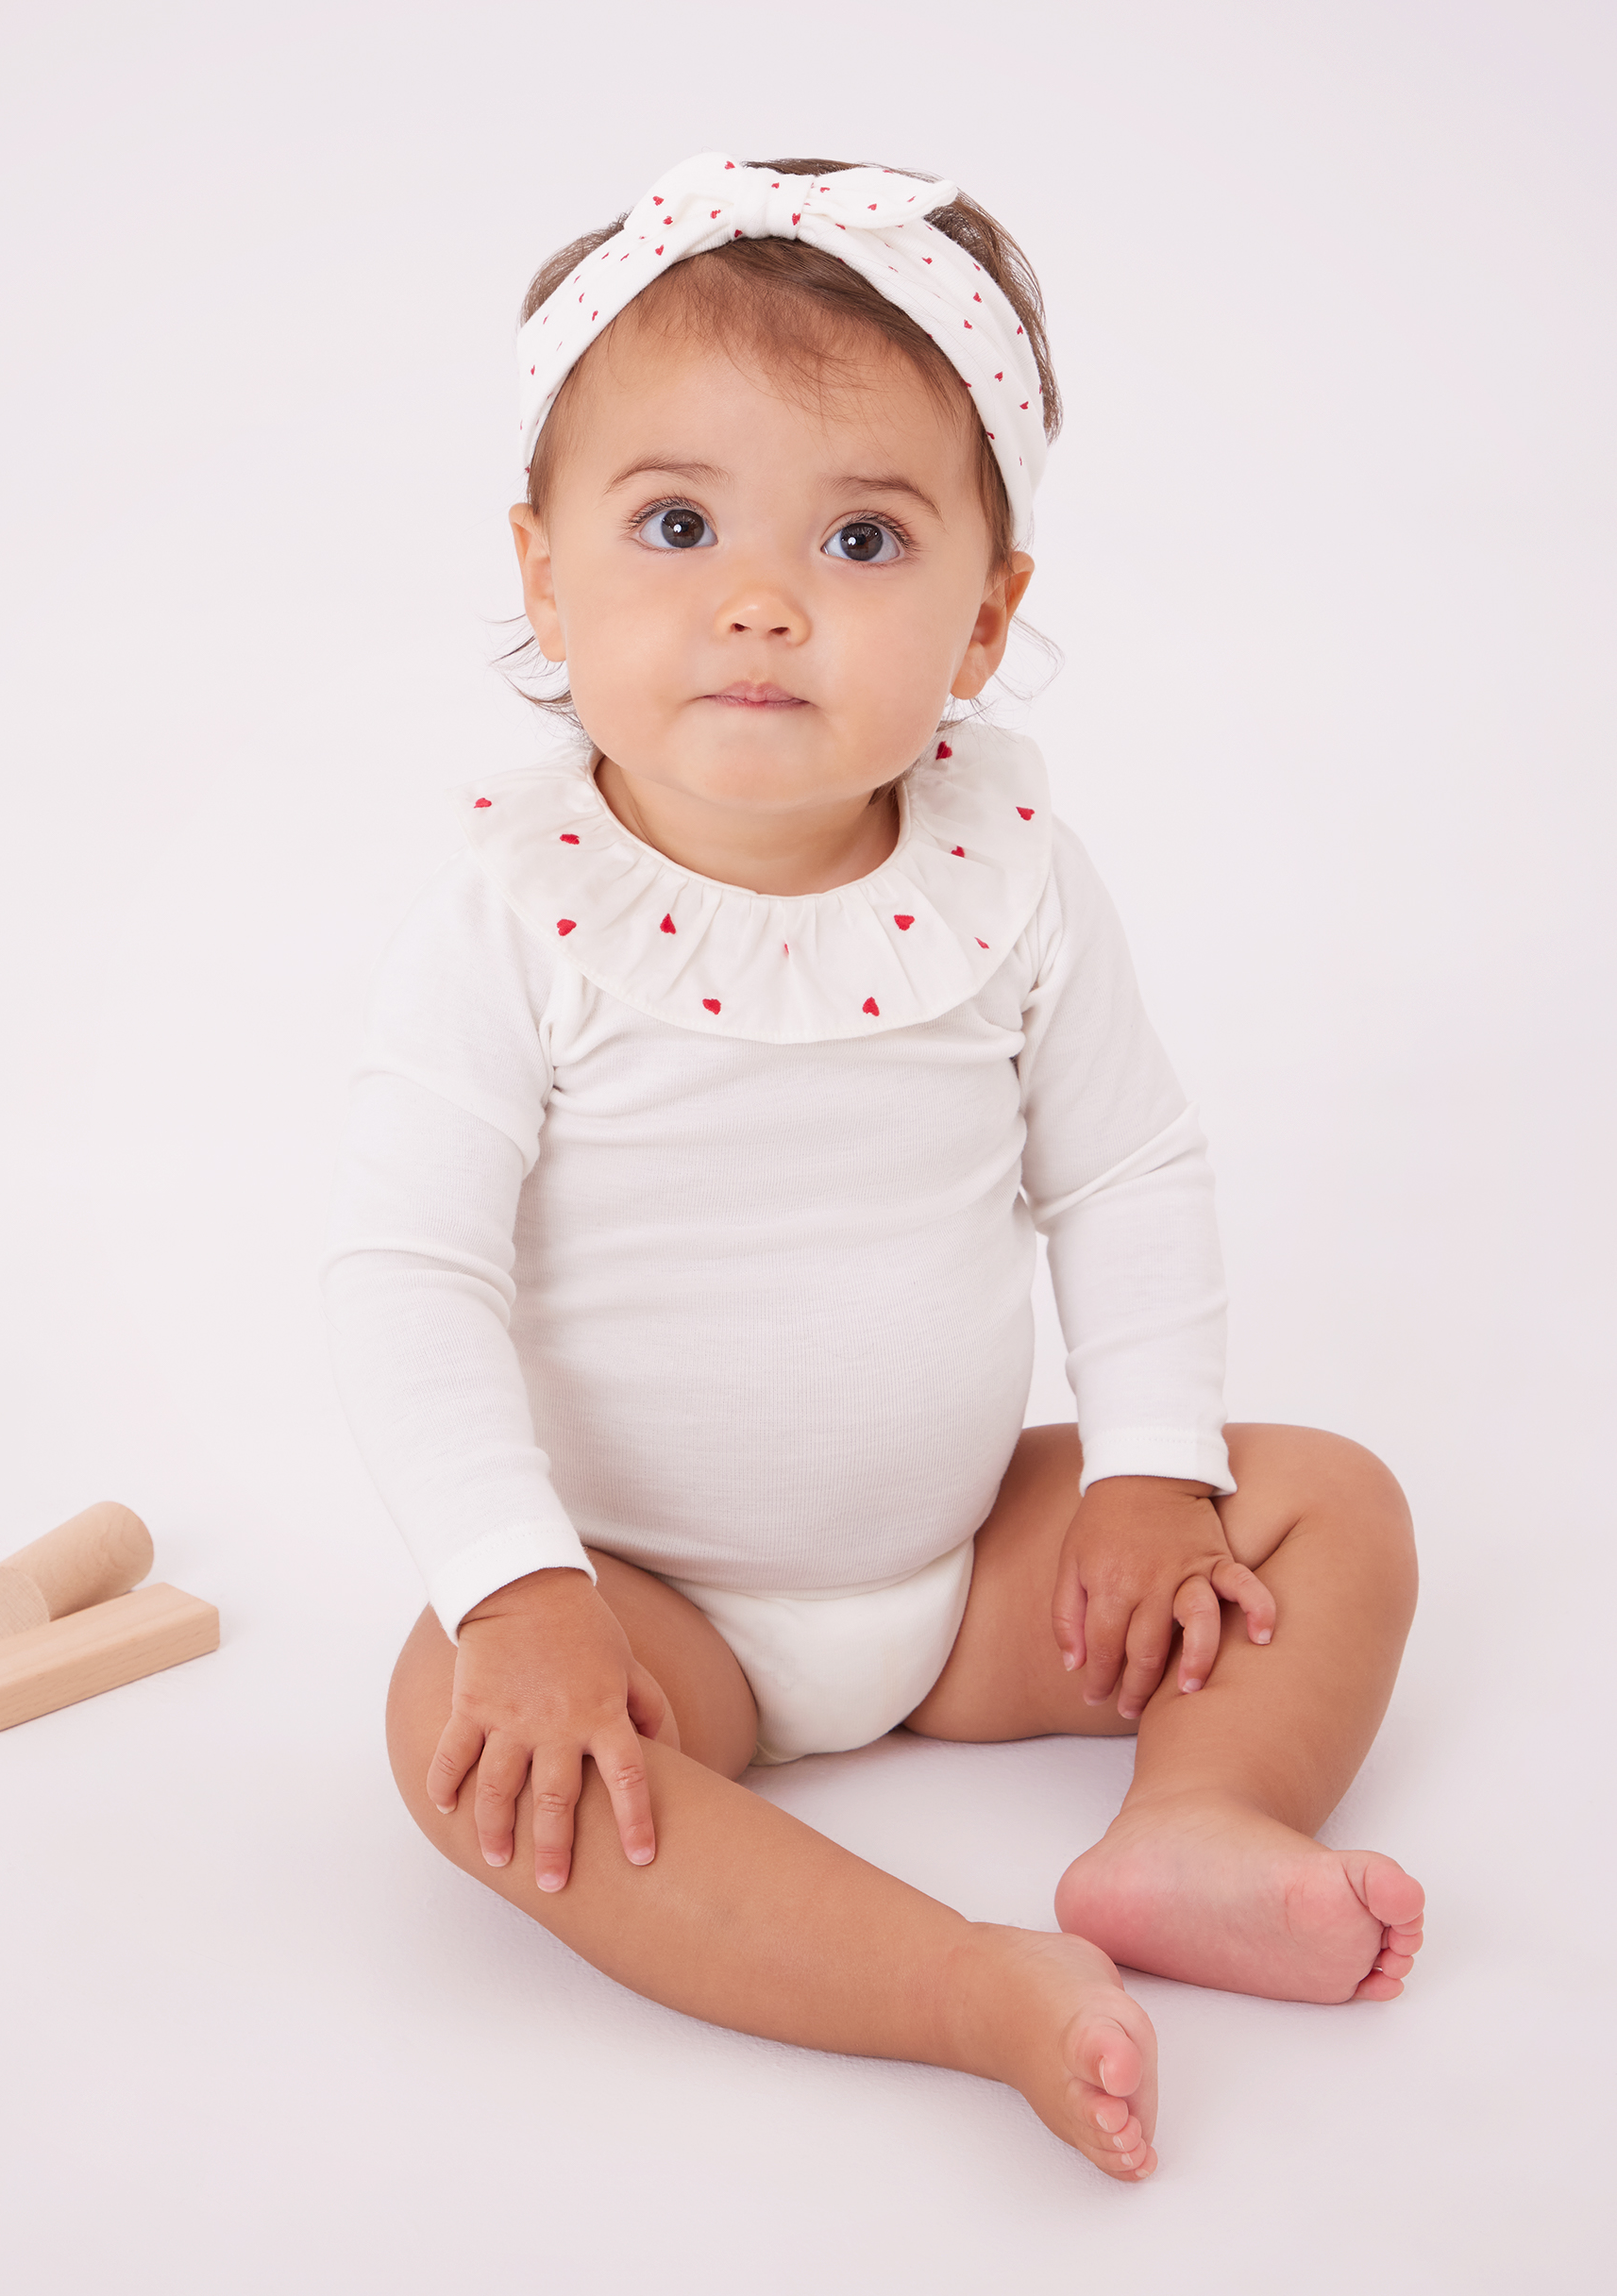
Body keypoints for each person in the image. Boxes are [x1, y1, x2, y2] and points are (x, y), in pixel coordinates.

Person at [321, 153, 1423, 2182]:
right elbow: (410, 1271)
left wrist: (1147, 1467)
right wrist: (518, 1590)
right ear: (542, 575)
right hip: (656, 1611)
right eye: (673, 523)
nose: (758, 599)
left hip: (973, 1576)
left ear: (985, 616)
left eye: (856, 534)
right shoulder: (512, 913)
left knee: (1327, 1505)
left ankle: (1196, 1821)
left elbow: (1125, 1170)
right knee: (455, 1734)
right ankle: (960, 1985)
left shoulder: (1012, 880)